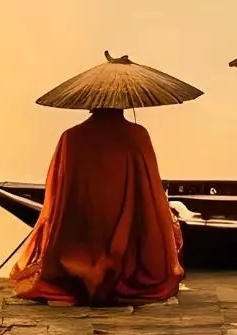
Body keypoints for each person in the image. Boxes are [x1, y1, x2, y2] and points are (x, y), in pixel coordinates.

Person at [10, 108, 183, 305]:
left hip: (83, 225)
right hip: (124, 227)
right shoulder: (137, 134)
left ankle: (86, 275)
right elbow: (150, 190)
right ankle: (105, 274)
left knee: (75, 248)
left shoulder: (71, 137)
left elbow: (61, 190)